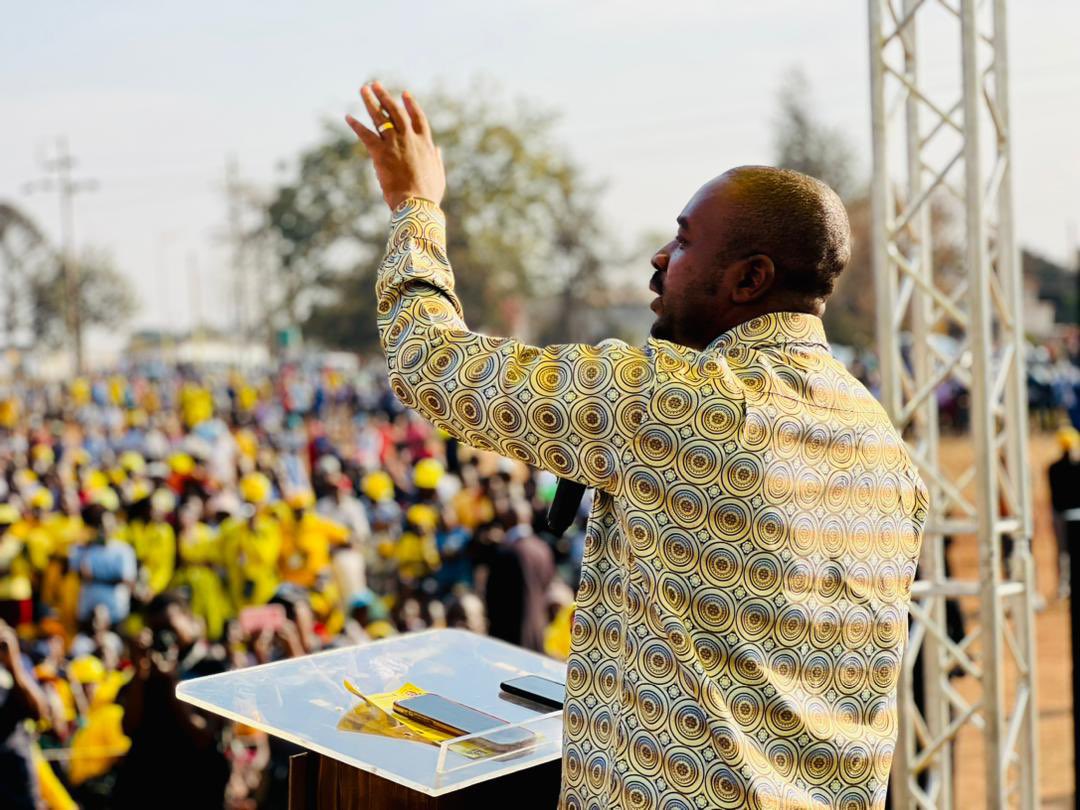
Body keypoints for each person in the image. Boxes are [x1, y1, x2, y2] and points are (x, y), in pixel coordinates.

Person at [347, 82, 928, 809]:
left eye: (684, 240)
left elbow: (433, 365)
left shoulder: (676, 401)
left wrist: (415, 207)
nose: (659, 257)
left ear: (751, 278)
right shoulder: (887, 453)